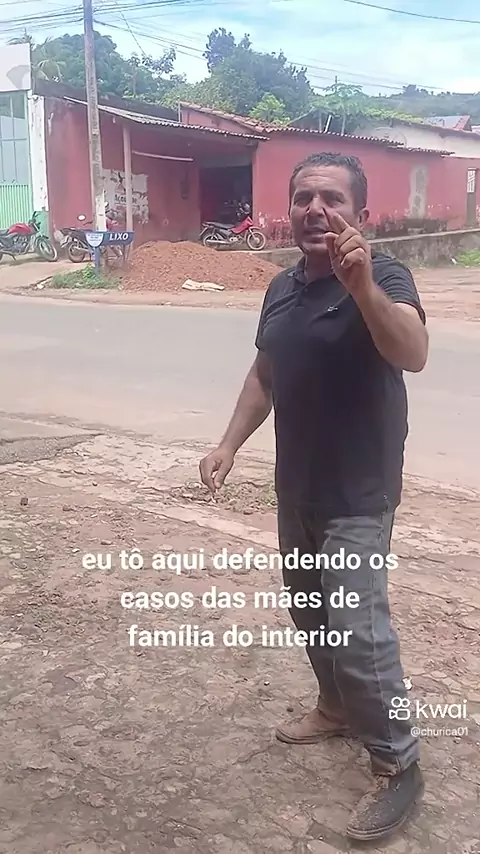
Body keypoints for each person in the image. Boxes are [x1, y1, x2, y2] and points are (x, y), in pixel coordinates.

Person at [199, 152, 428, 842]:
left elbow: (412, 352)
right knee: (312, 614)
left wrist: (363, 289)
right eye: (303, 197)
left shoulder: (386, 276)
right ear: (290, 210)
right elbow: (266, 374)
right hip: (296, 484)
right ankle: (335, 708)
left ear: (361, 214)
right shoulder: (282, 286)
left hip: (359, 487)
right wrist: (229, 444)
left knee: (358, 630)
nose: (315, 209)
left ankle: (397, 760)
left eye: (332, 197)